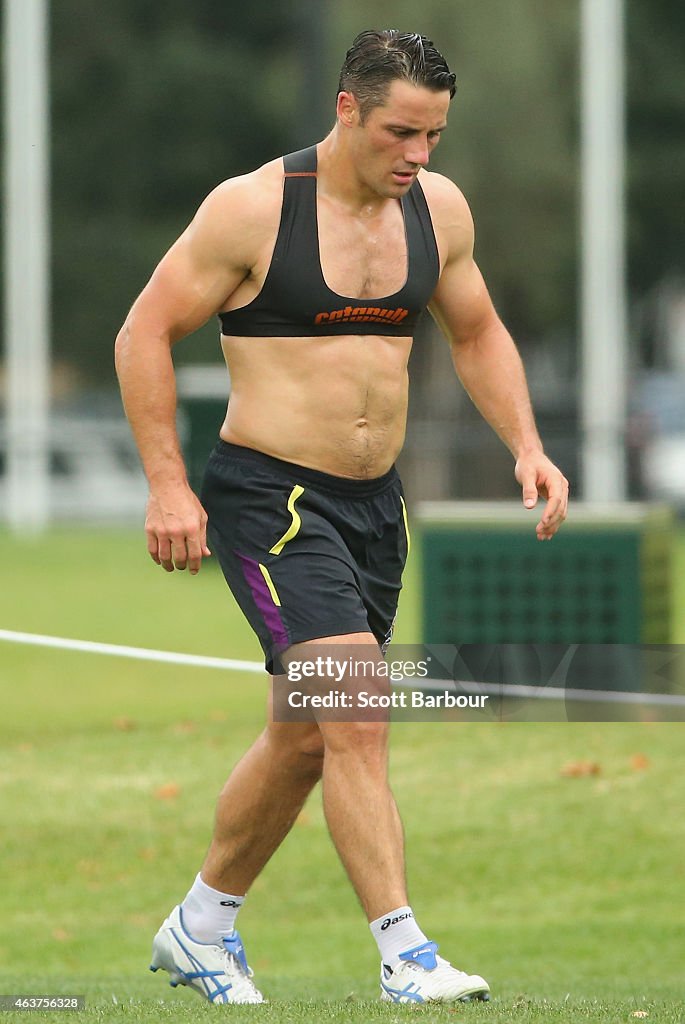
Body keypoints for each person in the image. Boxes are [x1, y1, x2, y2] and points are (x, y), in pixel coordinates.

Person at [115, 29, 569, 1006]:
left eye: (435, 136)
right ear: (348, 109)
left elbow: (478, 329)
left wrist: (526, 445)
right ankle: (406, 954)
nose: (418, 156)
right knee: (356, 707)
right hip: (270, 500)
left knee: (307, 734)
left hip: (374, 505)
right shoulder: (251, 211)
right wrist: (165, 484)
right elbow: (143, 330)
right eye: (401, 132)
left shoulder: (436, 211)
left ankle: (199, 926)